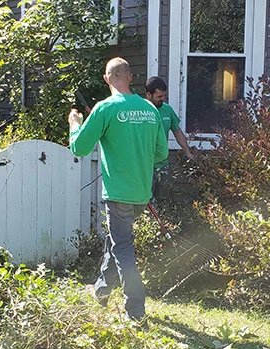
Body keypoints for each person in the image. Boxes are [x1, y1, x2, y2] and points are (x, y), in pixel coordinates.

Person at [68, 58, 168, 322]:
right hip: (141, 194)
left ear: (106, 78)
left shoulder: (105, 109)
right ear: (131, 77)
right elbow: (161, 152)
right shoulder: (150, 109)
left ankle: (136, 310)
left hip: (118, 194)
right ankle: (101, 291)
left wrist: (75, 123)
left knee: (122, 248)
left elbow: (79, 148)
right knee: (116, 242)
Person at [144, 76, 194, 201]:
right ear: (148, 94)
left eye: (164, 96)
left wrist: (187, 151)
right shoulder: (141, 111)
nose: (163, 99)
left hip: (162, 165)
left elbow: (177, 132)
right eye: (159, 97)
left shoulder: (167, 110)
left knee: (162, 199)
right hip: (144, 165)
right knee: (144, 201)